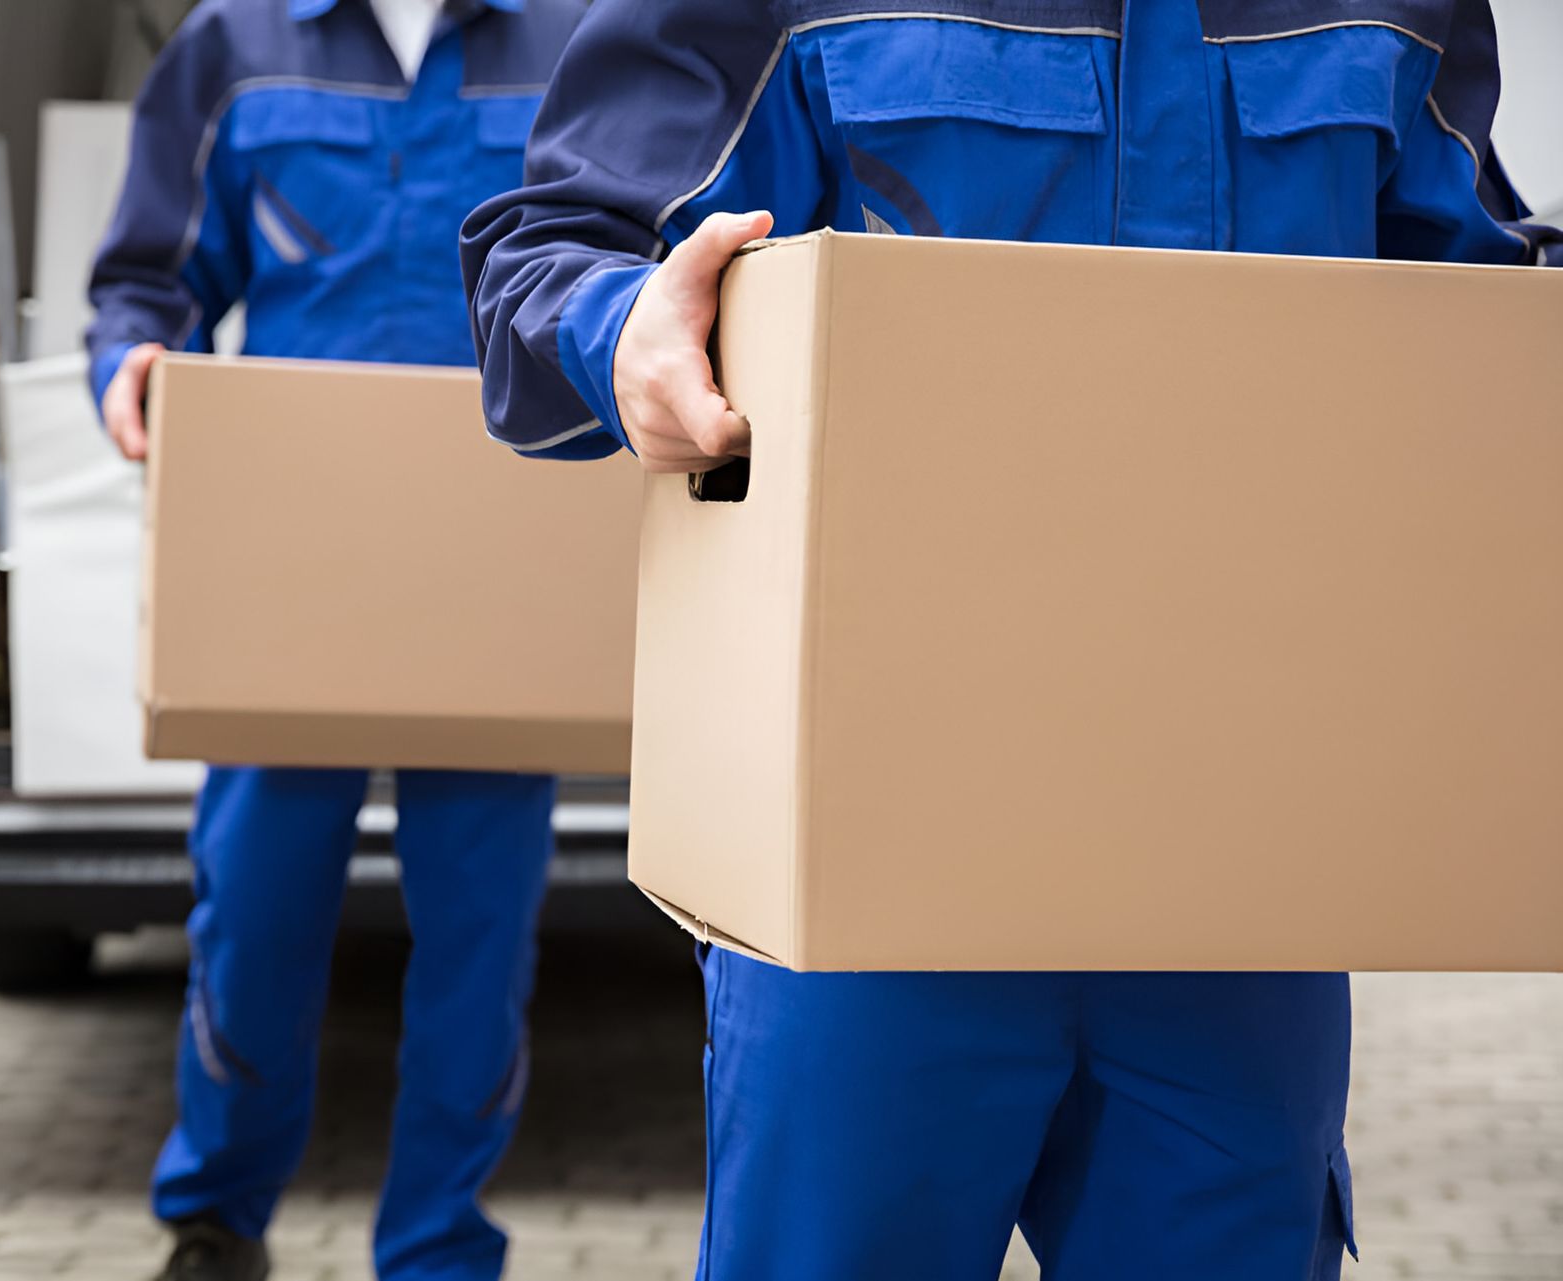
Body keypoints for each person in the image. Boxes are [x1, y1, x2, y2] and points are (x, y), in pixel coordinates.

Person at [462, 2, 1560, 1278]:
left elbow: (1478, 306)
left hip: (1241, 883)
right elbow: (544, 258)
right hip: (872, 868)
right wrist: (623, 333)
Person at [86, 1, 584, 1278]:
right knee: (251, 915)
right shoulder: (235, 46)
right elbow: (148, 277)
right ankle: (215, 1223)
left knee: (480, 942)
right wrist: (134, 364)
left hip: (496, 576)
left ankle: (437, 1250)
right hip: (287, 578)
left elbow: (624, 254)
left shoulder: (576, 41)